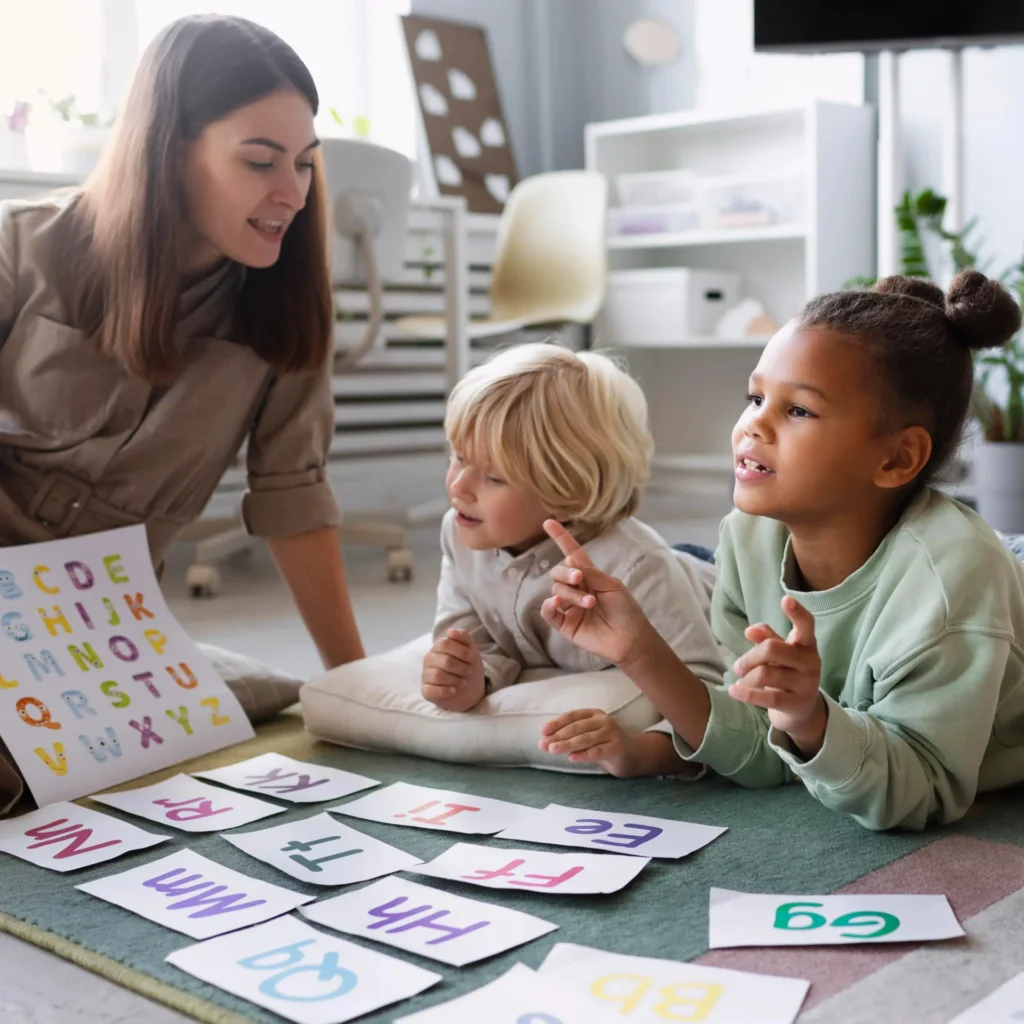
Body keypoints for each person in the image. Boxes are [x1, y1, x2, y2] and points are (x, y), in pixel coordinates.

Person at [540, 271, 1024, 830]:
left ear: (896, 459)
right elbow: (757, 737)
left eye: (798, 411)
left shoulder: (952, 583)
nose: (753, 425)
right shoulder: (747, 536)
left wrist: (811, 718)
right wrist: (637, 650)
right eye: (756, 397)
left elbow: (923, 788)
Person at [0, 15, 364, 672]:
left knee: (268, 702)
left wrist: (356, 682)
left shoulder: (285, 306)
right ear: (167, 149)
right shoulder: (19, 250)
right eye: (260, 161)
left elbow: (294, 497)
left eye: (306, 164)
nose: (293, 194)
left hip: (106, 636)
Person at [420, 342, 724, 779]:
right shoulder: (461, 529)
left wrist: (639, 753)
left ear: (568, 493)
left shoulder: (638, 567)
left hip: (704, 580)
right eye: (458, 457)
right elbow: (473, 635)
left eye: (493, 476)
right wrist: (469, 677)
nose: (458, 487)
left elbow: (705, 695)